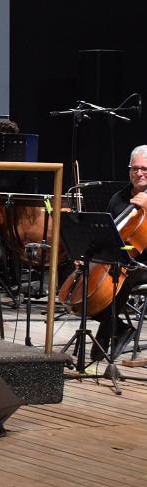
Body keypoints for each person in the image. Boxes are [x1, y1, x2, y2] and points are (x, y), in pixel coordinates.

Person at [89, 145, 147, 360]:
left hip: (143, 265)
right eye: (134, 168)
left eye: (144, 169)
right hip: (118, 260)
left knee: (118, 282)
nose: (139, 173)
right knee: (84, 287)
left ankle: (101, 345)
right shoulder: (119, 197)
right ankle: (121, 328)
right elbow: (106, 233)